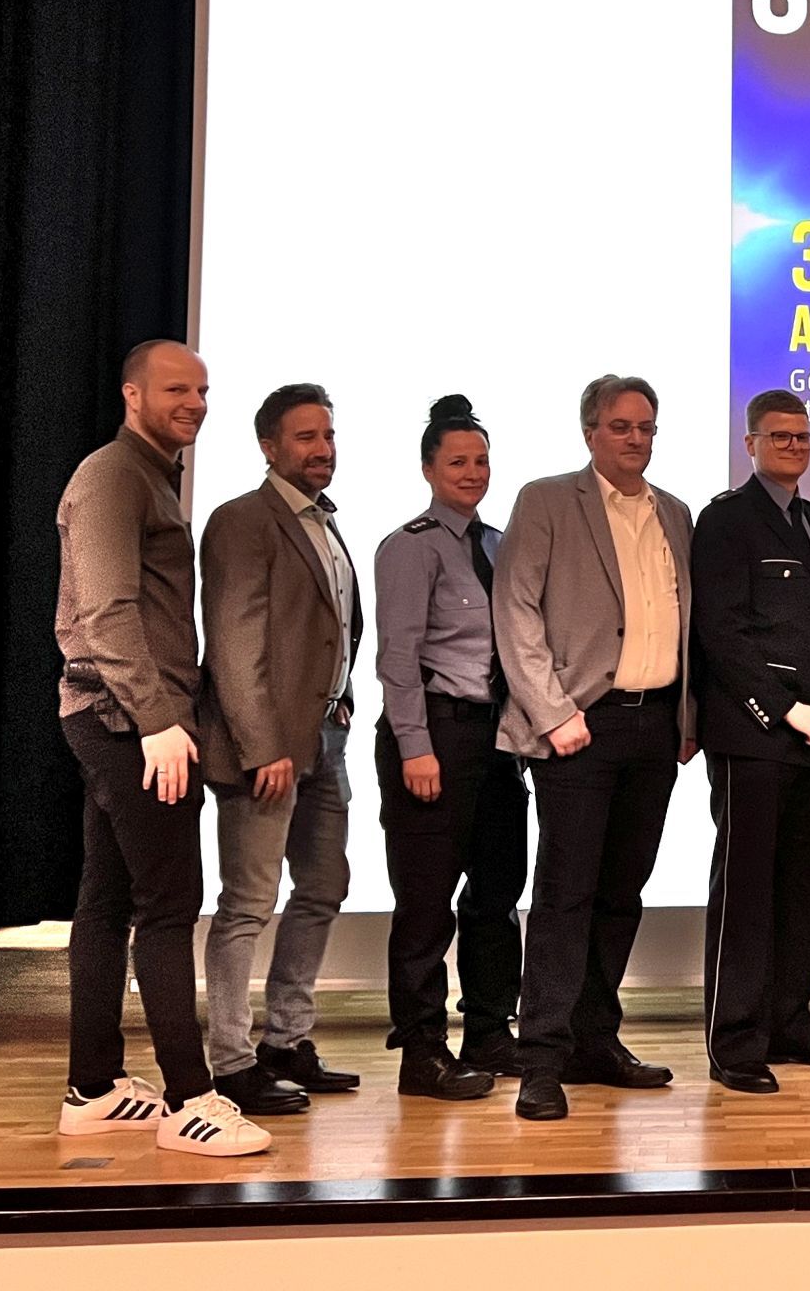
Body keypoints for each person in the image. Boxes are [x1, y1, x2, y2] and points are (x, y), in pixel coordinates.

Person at [53, 339, 270, 1157]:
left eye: (204, 389)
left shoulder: (148, 476)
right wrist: (156, 721)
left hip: (128, 721)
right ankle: (191, 1100)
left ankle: (94, 1088)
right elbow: (106, 613)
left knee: (107, 907)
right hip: (128, 724)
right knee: (170, 907)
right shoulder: (114, 474)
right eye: (177, 388)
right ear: (132, 395)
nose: (196, 402)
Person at [495, 374, 697, 1122]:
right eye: (620, 426)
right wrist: (553, 713)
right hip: (579, 727)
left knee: (621, 894)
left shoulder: (674, 512)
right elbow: (514, 609)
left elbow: (686, 620)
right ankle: (540, 1060)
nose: (636, 439)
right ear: (590, 432)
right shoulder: (547, 501)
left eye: (646, 426)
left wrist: (688, 718)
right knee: (563, 897)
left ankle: (594, 1040)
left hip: (655, 728)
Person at [199, 383, 363, 1116]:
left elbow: (330, 629)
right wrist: (262, 745)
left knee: (324, 886)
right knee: (246, 904)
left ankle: (287, 1040)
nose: (322, 448)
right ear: (269, 446)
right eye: (305, 437)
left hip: (325, 737)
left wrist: (343, 694)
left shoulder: (325, 523)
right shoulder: (242, 520)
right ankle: (229, 1061)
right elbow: (234, 643)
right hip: (261, 749)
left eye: (327, 435)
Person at [691, 389, 810, 1095]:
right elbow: (722, 635)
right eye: (780, 437)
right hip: (756, 734)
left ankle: (790, 1018)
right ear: (750, 443)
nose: (794, 447)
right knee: (747, 892)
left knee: (801, 887)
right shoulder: (726, 521)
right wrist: (788, 710)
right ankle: (734, 1037)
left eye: (803, 438)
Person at [372, 394, 529, 1101]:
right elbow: (398, 658)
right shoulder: (411, 545)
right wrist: (414, 746)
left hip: (496, 740)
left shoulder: (500, 544)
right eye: (458, 461)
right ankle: (422, 1052)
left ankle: (490, 1030)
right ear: (429, 469)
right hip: (435, 734)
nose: (473, 472)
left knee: (496, 893)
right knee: (427, 902)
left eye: (481, 460)